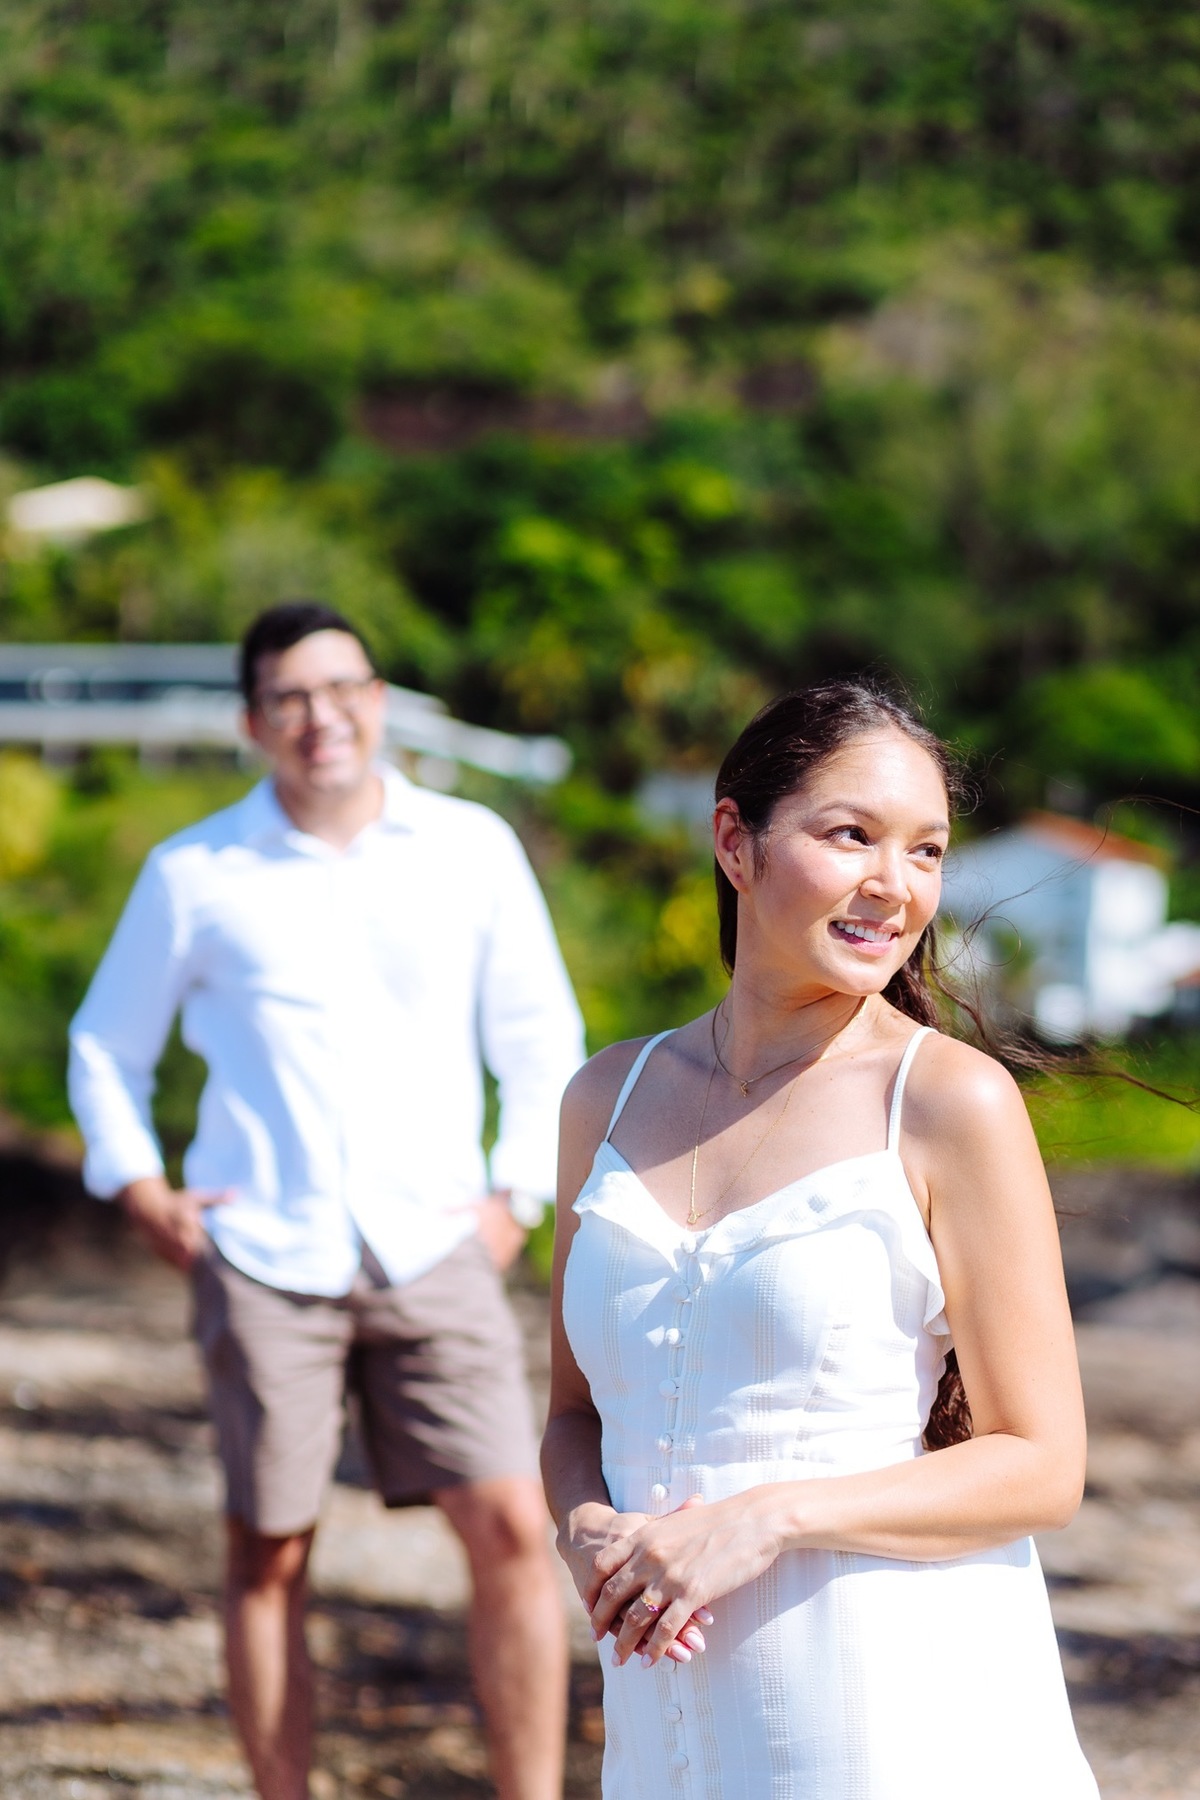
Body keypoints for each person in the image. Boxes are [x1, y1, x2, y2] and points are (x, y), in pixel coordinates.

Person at [542, 682, 1100, 1799]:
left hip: (885, 1710)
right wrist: (584, 1530)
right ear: (734, 841)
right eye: (852, 835)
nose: (894, 887)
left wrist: (766, 1518)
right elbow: (572, 1413)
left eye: (928, 851)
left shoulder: (950, 1103)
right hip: (664, 1719)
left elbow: (1044, 1464)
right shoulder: (608, 1095)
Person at [69, 601, 585, 1800]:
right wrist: (140, 1185)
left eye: (342, 687)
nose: (322, 717)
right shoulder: (192, 872)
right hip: (263, 1248)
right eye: (291, 698)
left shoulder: (471, 846)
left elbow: (541, 1035)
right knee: (267, 1548)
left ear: (381, 700)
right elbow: (105, 1045)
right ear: (255, 723)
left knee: (512, 1524)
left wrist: (516, 1194)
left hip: (439, 1236)